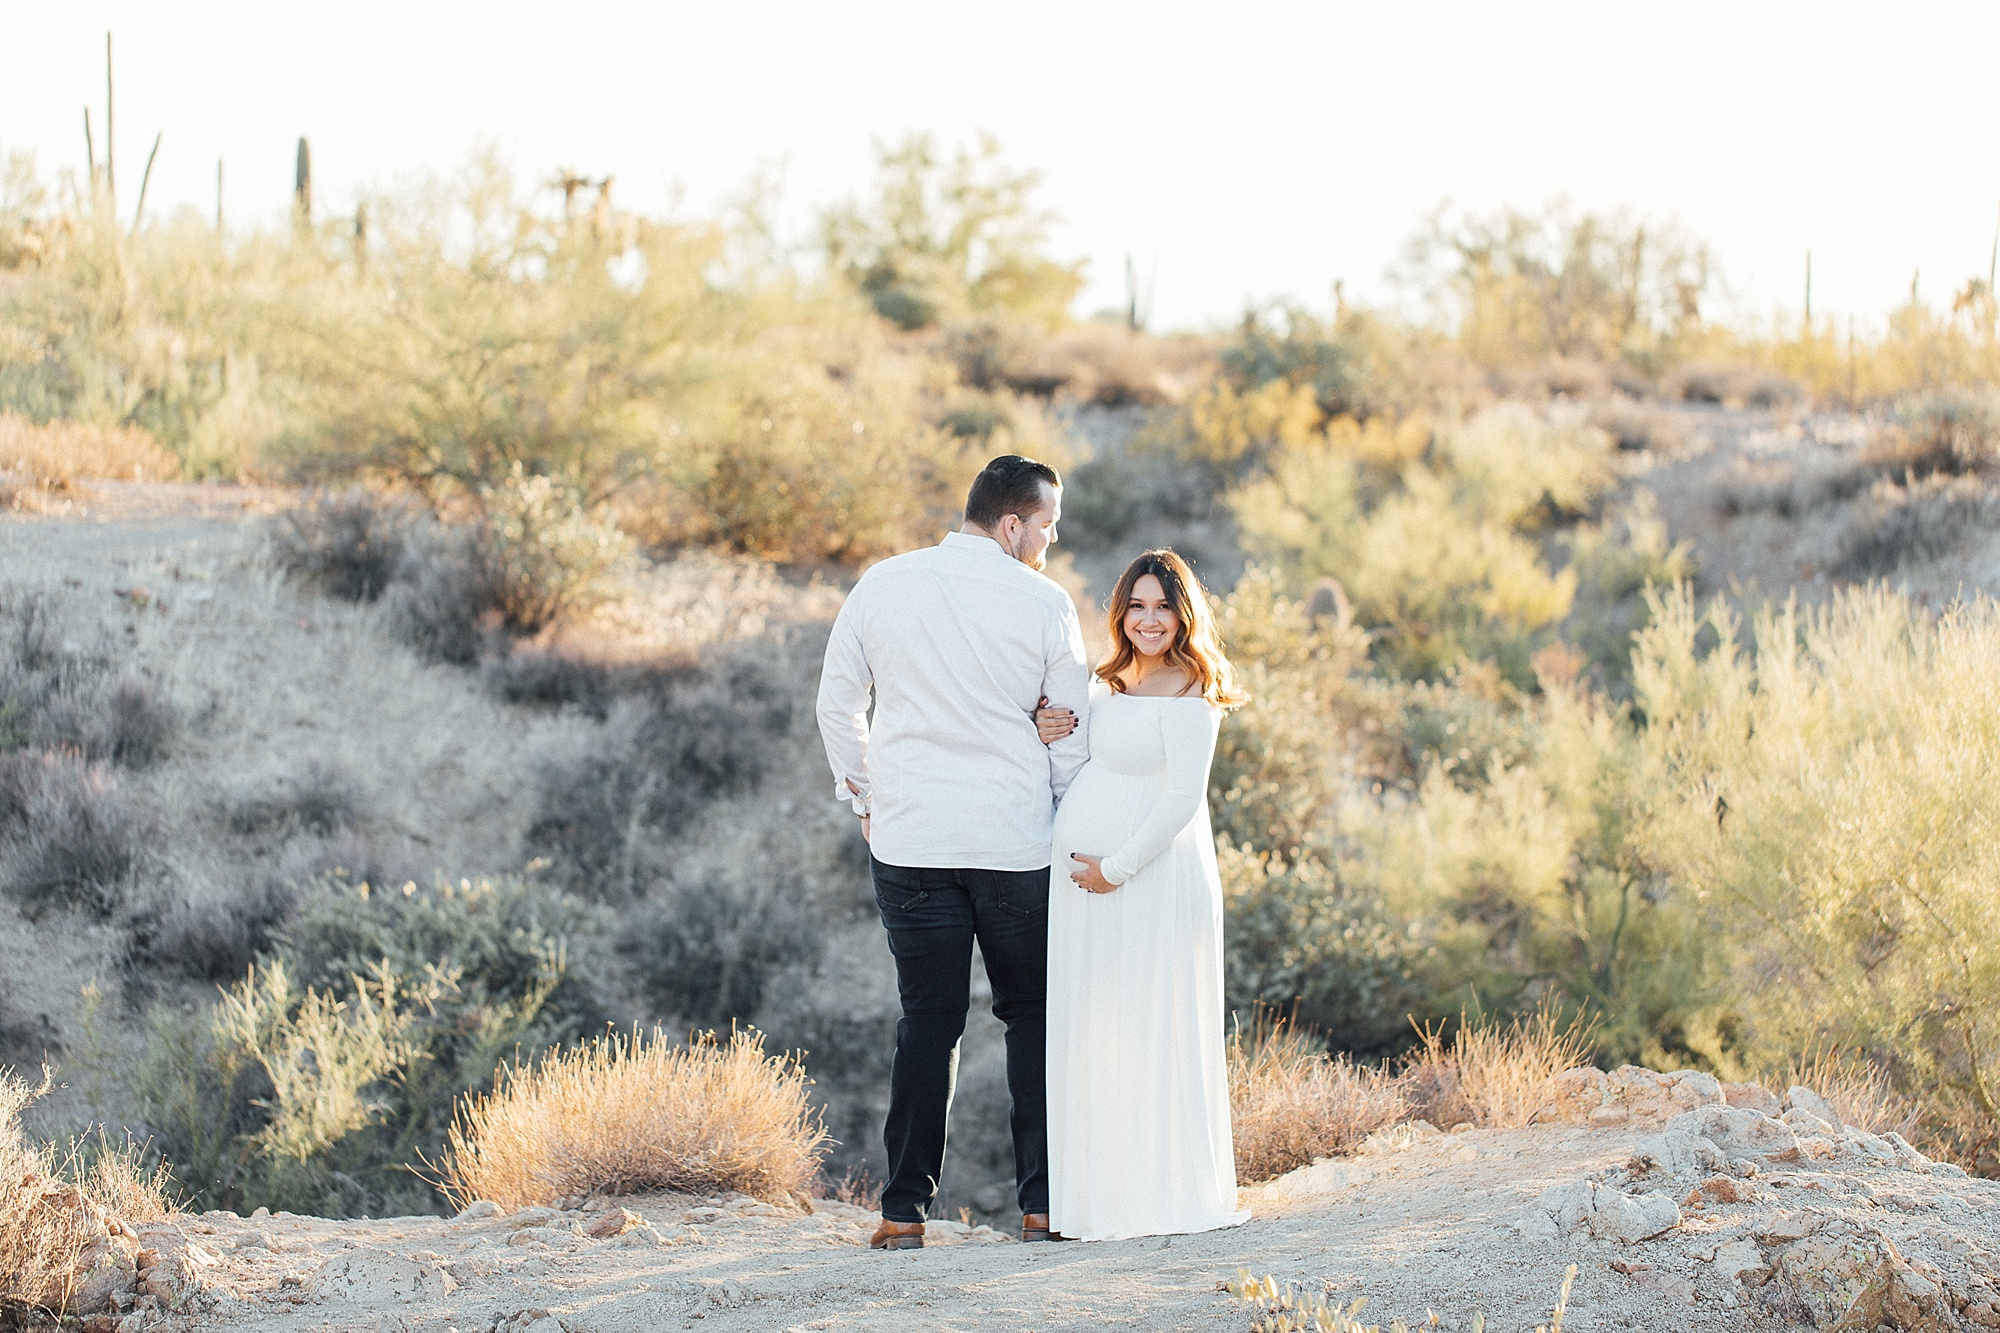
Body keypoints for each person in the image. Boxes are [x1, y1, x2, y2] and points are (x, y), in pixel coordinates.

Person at [815, 454, 1092, 1250]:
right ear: (1013, 524)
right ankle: (1043, 1206)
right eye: (1046, 526)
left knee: (927, 1021)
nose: (1048, 540)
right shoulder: (1044, 603)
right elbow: (1067, 726)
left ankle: (903, 1213)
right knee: (1031, 1017)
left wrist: (865, 795)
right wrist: (1063, 809)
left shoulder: (883, 582)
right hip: (1012, 842)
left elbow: (837, 702)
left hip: (912, 840)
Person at [1031, 548, 1251, 1241]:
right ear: (1120, 610)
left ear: (1184, 614)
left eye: (1163, 605)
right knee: (1094, 1030)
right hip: (1087, 889)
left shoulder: (1191, 689)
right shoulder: (1110, 679)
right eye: (1137, 604)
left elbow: (1182, 799)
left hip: (1147, 880)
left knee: (1148, 1027)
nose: (1148, 618)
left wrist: (1116, 867)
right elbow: (1084, 751)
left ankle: (1157, 1201)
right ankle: (1094, 1204)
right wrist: (1048, 728)